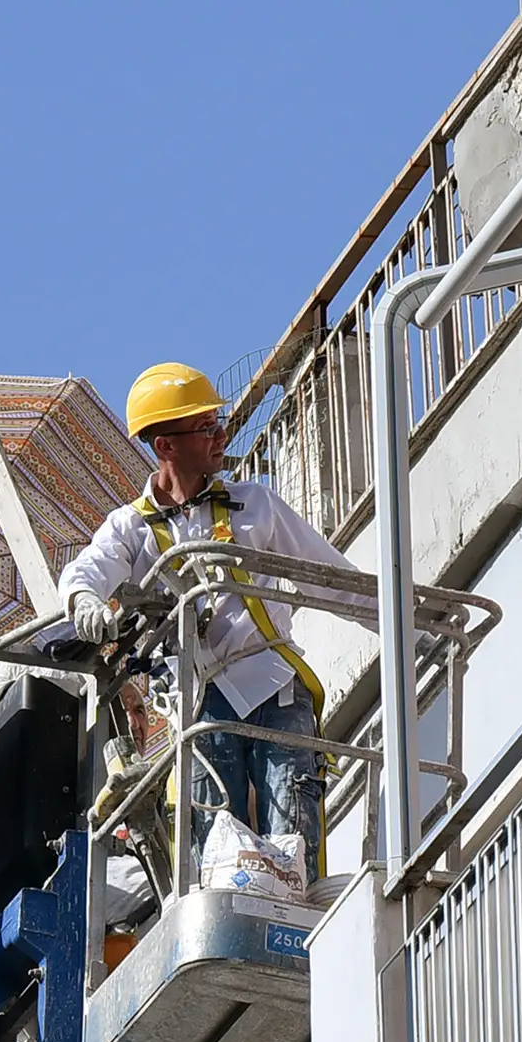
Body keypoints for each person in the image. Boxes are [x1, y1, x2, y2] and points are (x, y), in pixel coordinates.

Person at [58, 360, 348, 873]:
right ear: (165, 445)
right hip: (200, 706)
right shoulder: (131, 527)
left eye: (217, 422)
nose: (220, 435)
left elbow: (333, 579)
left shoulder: (253, 505)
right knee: (215, 855)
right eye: (205, 426)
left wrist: (409, 630)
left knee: (293, 846)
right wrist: (85, 603)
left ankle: (298, 926)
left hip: (273, 686)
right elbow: (87, 573)